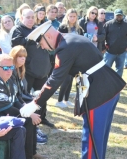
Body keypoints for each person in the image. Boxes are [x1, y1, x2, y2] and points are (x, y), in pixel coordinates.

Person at [20, 20, 126, 159]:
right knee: (99, 137)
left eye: (42, 44)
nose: (43, 47)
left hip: (99, 92)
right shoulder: (71, 38)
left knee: (91, 138)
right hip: (107, 86)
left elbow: (55, 80)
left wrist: (35, 103)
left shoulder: (64, 47)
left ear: (48, 37)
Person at [0, 54, 47, 159]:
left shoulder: (9, 79)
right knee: (27, 119)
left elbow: (16, 100)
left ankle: (32, 153)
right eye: (5, 68)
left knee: (31, 117)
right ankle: (28, 155)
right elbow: (7, 108)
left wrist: (29, 111)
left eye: (11, 67)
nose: (9, 71)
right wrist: (29, 114)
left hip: (6, 112)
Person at [12, 9, 54, 128]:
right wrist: (30, 38)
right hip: (28, 70)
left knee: (43, 95)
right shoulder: (18, 29)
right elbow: (16, 44)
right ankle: (27, 118)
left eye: (32, 17)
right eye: (28, 17)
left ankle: (42, 117)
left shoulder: (37, 29)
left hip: (42, 69)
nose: (30, 19)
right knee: (25, 96)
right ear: (22, 18)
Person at [9, 46, 48, 141]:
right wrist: (29, 101)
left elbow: (24, 91)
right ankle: (32, 133)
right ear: (14, 57)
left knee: (39, 101)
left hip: (22, 97)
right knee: (33, 105)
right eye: (20, 56)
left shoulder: (21, 70)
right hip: (15, 101)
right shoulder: (10, 71)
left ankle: (35, 128)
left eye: (24, 56)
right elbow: (16, 94)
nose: (23, 58)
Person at [56, 9, 84, 108]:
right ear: (67, 16)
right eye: (70, 16)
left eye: (74, 16)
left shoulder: (79, 29)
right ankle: (59, 100)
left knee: (71, 78)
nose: (72, 18)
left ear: (76, 17)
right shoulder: (62, 27)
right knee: (66, 79)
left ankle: (66, 99)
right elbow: (59, 41)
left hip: (76, 56)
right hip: (65, 56)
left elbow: (82, 42)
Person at [103, 9, 127, 77]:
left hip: (122, 52)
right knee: (106, 68)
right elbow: (103, 36)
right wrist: (104, 46)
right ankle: (106, 82)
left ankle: (117, 85)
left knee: (119, 69)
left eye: (120, 15)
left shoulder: (126, 25)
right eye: (117, 15)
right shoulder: (108, 24)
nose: (119, 16)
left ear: (122, 15)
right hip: (110, 51)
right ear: (114, 15)